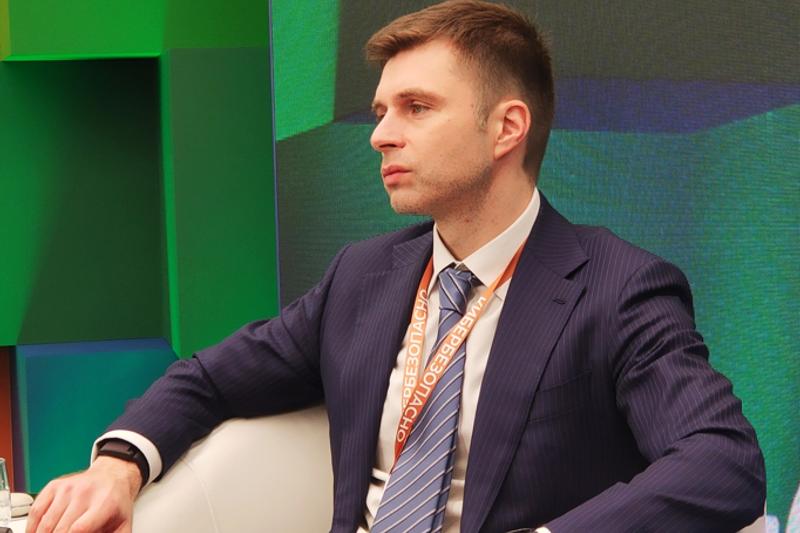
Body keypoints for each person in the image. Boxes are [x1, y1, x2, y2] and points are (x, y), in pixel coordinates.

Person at [27, 1, 766, 532]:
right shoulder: (362, 276)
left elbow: (721, 461)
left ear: (507, 127)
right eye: (381, 111)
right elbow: (211, 377)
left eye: (416, 107)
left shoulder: (618, 286)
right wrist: (118, 464)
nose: (380, 135)